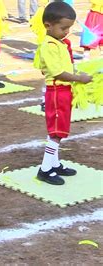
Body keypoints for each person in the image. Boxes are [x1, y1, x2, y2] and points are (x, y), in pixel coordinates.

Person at [36, 1, 93, 185]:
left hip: (63, 90)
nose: (67, 32)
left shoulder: (59, 42)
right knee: (57, 132)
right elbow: (58, 72)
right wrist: (79, 79)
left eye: (69, 28)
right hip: (56, 92)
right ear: (48, 25)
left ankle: (54, 163)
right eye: (63, 28)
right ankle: (45, 169)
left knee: (58, 130)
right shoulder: (49, 46)